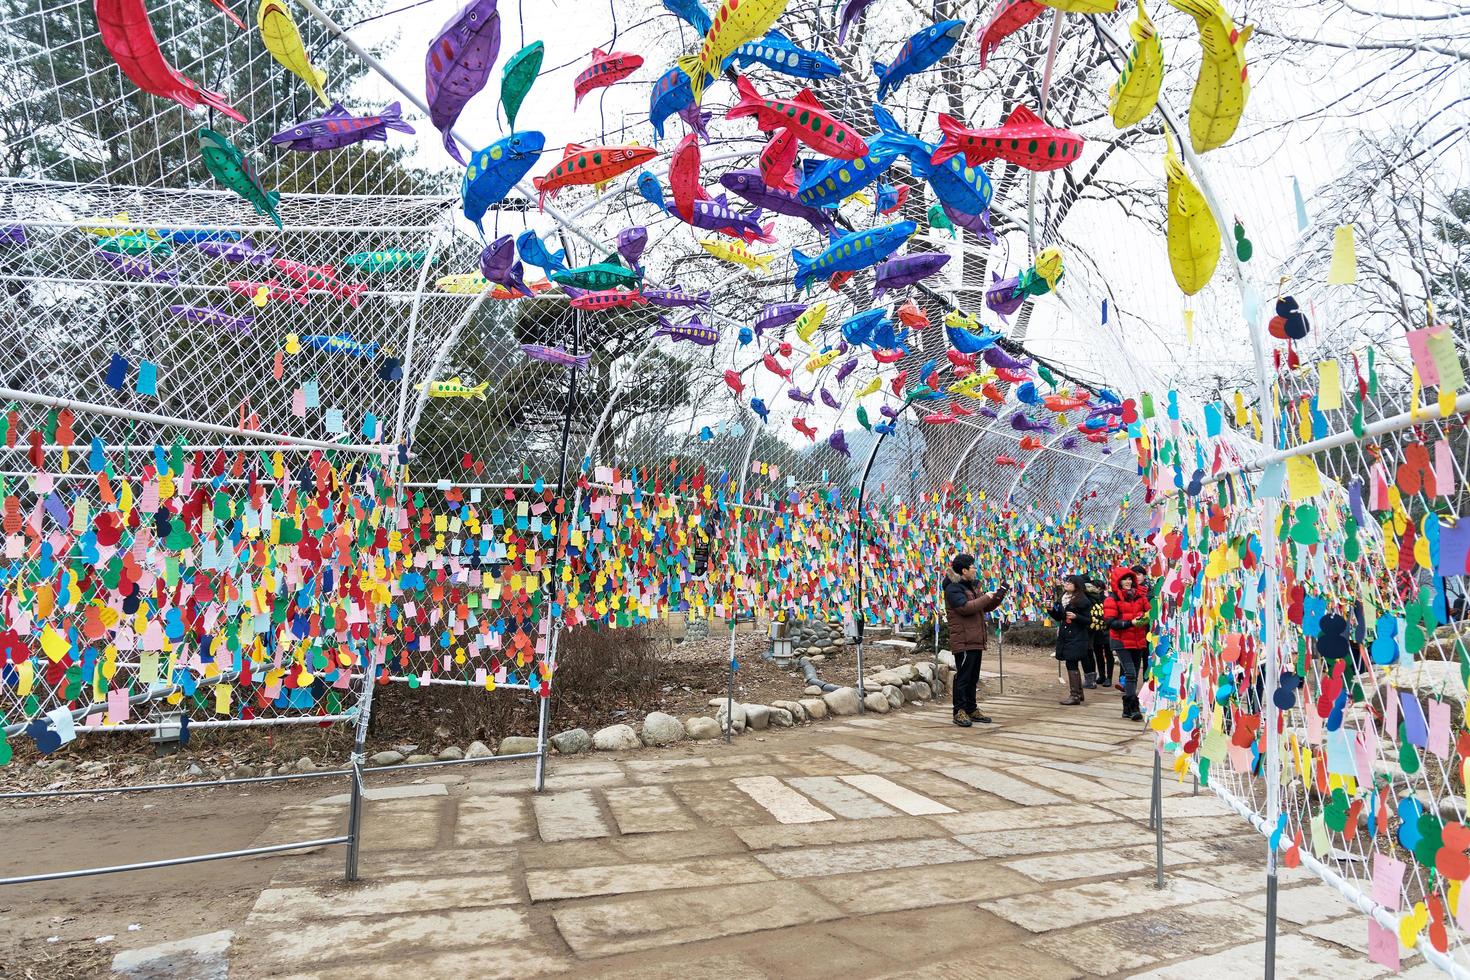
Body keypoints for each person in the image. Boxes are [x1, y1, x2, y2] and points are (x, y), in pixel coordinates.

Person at [943, 554, 1009, 728]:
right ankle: (959, 711)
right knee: (963, 677)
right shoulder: (953, 588)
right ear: (964, 570)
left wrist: (999, 593)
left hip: (975, 638)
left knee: (973, 677)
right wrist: (986, 597)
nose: (975, 570)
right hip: (963, 640)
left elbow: (985, 606)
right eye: (973, 567)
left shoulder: (971, 586)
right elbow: (965, 608)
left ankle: (972, 709)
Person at [1104, 566, 1150, 721]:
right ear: (1118, 581)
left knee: (1134, 675)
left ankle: (1126, 709)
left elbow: (1151, 612)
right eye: (1125, 579)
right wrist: (1130, 623)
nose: (1128, 581)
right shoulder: (1112, 599)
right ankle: (1133, 707)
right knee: (1130, 673)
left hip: (1138, 640)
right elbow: (1110, 622)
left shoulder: (1140, 597)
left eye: (1130, 578)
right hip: (1121, 641)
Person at [1049, 575, 1094, 705]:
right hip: (1065, 635)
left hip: (1077, 636)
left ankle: (1075, 695)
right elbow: (1060, 617)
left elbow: (1088, 620)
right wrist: (1051, 610)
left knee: (1071, 662)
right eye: (1066, 582)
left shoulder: (1083, 601)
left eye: (1070, 583)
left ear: (1076, 585)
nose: (1066, 584)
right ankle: (1078, 693)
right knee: (1071, 663)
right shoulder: (1063, 598)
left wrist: (1076, 616)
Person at [1083, 575, 1110, 688]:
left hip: (1103, 629)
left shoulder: (1105, 599)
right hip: (1096, 629)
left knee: (1107, 654)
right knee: (1097, 653)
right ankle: (1101, 676)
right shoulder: (1091, 597)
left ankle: (1107, 677)